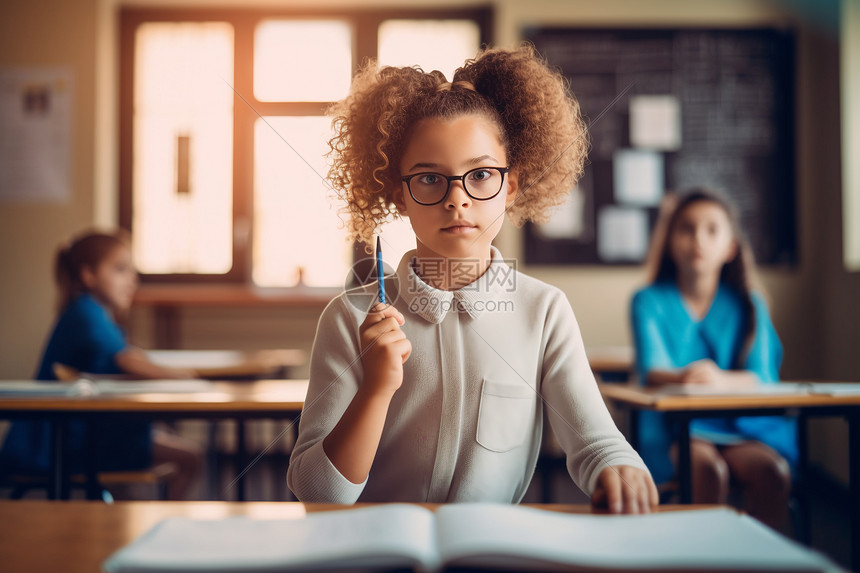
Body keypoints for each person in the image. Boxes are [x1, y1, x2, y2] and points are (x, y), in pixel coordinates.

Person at [287, 44, 657, 512]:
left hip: (489, 551)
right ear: (398, 194)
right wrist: (377, 388)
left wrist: (618, 468)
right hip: (377, 549)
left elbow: (598, 442)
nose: (457, 199)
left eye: (481, 175)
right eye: (428, 179)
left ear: (512, 185)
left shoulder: (543, 312)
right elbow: (318, 493)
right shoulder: (350, 317)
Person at [630, 189, 796, 529]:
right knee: (706, 471)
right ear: (669, 241)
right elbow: (652, 370)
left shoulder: (750, 303)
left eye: (711, 229)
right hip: (676, 428)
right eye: (686, 228)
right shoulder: (648, 301)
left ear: (731, 247)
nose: (697, 239)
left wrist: (718, 380)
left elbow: (763, 374)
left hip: (741, 426)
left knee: (773, 473)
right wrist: (684, 377)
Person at [0, 230, 203, 500]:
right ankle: (162, 527)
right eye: (120, 269)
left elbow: (127, 356)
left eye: (132, 270)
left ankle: (127, 517)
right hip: (63, 442)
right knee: (190, 457)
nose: (132, 279)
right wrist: (185, 378)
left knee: (159, 436)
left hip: (80, 433)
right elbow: (127, 359)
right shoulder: (86, 312)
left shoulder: (90, 313)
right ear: (88, 275)